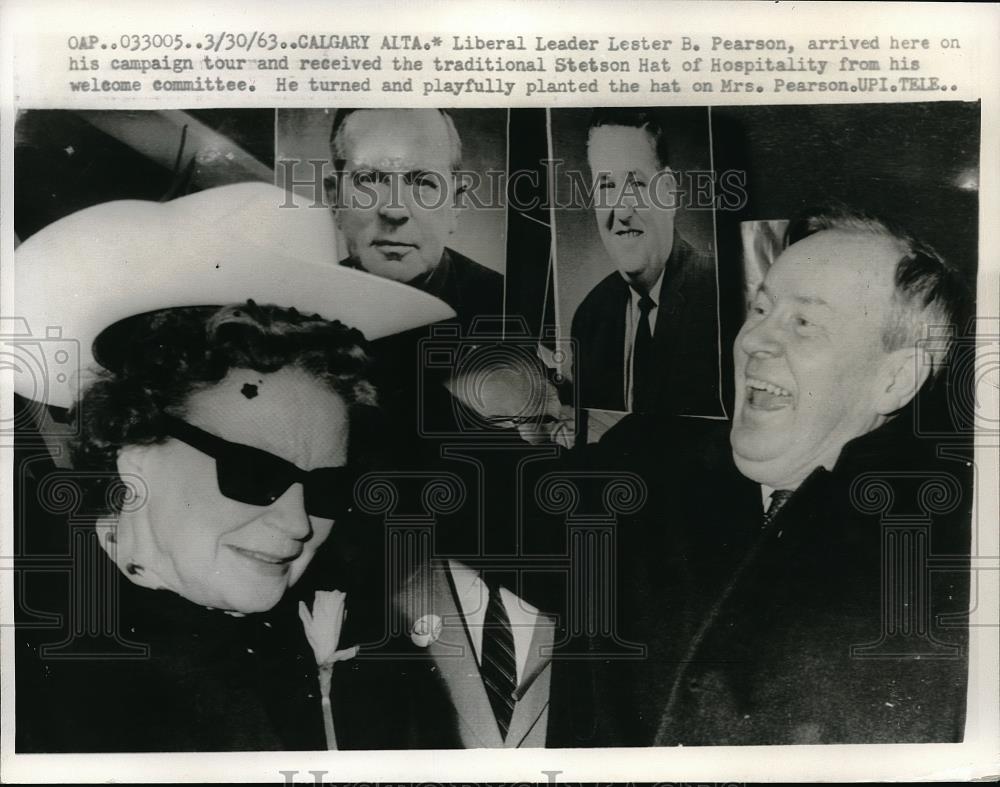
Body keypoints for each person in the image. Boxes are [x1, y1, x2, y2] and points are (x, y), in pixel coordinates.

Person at [13, 182, 453, 752]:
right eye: (254, 475)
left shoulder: (373, 658)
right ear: (136, 450)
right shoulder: (35, 664)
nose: (299, 524)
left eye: (325, 488)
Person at [552, 205, 973, 746]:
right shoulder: (645, 465)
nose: (752, 341)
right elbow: (463, 498)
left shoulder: (950, 564)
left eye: (804, 323)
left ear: (895, 380)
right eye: (761, 309)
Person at [571, 108, 722, 415]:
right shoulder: (590, 318)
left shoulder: (719, 296)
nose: (622, 212)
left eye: (636, 184)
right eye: (606, 186)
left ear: (667, 192)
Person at [328, 108, 504, 333]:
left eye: (423, 182)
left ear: (456, 204)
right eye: (369, 180)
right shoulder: (297, 307)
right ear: (334, 200)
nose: (394, 210)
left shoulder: (511, 307)